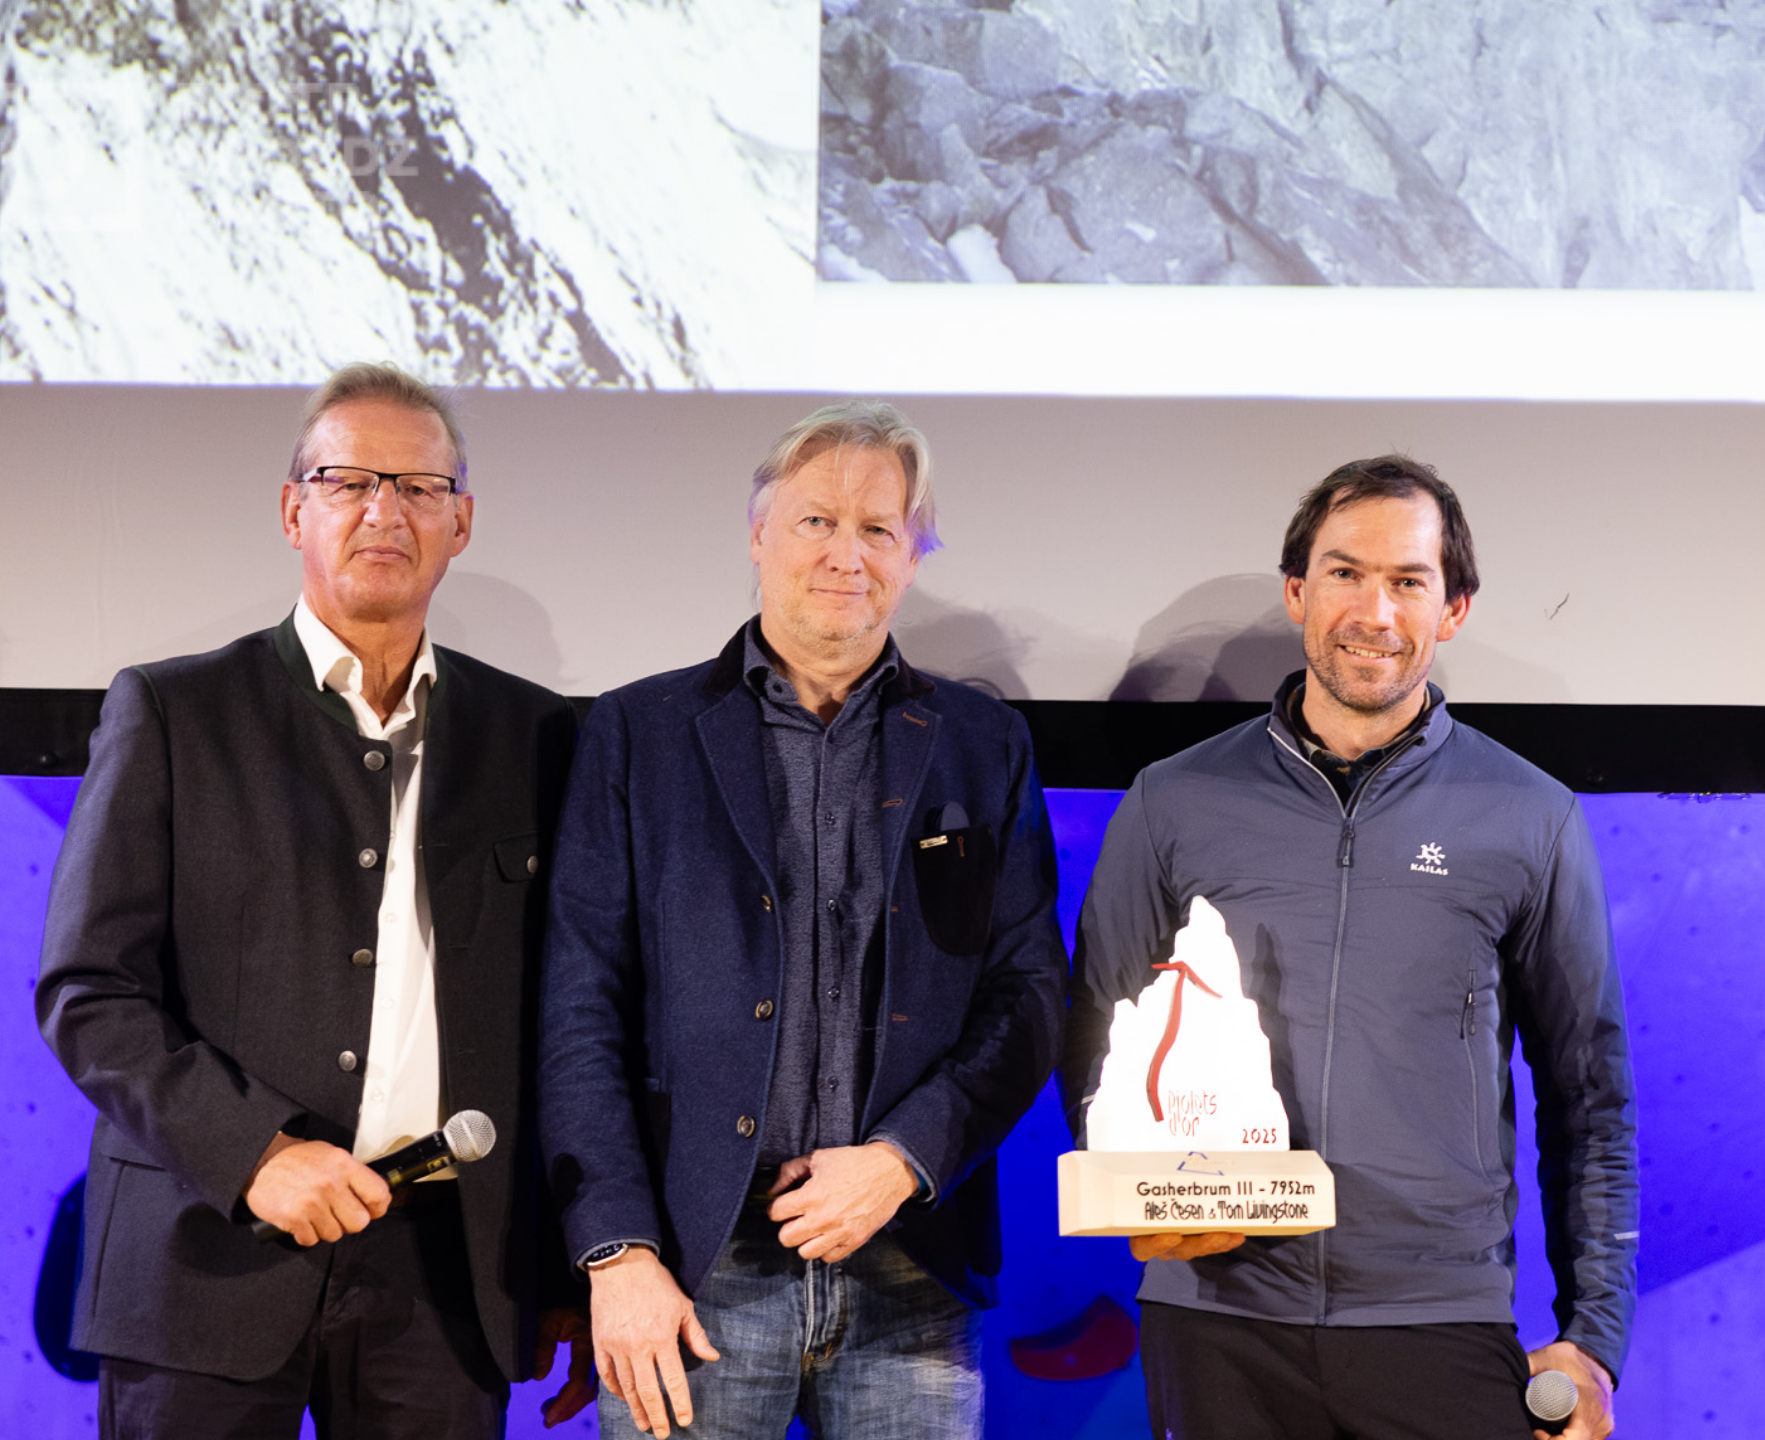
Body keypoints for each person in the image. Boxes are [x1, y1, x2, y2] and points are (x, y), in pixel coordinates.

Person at [35, 364, 594, 1437]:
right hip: (206, 1248)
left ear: (461, 523)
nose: (384, 511)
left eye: (420, 487)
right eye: (348, 481)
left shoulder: (532, 734)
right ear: (294, 511)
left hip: (446, 1274)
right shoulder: (174, 710)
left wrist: (568, 1262)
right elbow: (88, 989)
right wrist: (257, 1153)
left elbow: (568, 1020)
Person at [1063, 456, 1636, 1440]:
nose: (1374, 611)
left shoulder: (1530, 816)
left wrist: (1594, 1334)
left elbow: (1590, 1095)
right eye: (1344, 573)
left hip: (1439, 1319)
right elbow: (1095, 1039)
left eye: (1408, 580)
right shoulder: (1173, 800)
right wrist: (1133, 1188)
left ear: (1453, 609)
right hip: (1217, 1315)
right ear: (1297, 592)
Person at [539, 401, 1067, 1440]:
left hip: (912, 1264)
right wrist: (616, 1251)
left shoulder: (983, 742)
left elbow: (1029, 992)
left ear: (912, 555)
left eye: (878, 528)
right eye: (816, 521)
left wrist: (903, 1158)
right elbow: (578, 1006)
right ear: (758, 535)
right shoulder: (637, 732)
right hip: (691, 1271)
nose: (845, 554)